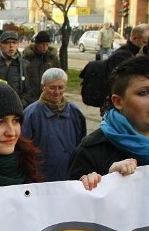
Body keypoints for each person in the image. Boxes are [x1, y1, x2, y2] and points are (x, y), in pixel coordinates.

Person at [67, 56, 148, 190]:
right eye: (144, 93)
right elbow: (74, 207)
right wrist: (107, 182)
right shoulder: (89, 153)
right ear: (118, 102)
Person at [22, 68, 86, 181]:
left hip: (69, 176)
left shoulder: (74, 112)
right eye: (52, 88)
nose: (57, 92)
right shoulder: (31, 114)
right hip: (41, 178)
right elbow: (23, 149)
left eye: (61, 87)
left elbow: (82, 145)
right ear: (43, 87)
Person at [0, 31, 30, 106]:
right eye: (7, 43)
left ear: (17, 45)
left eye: (14, 42)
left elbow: (29, 91)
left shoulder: (25, 65)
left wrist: (23, 103)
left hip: (18, 108)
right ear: (0, 45)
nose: (11, 46)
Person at [23, 31, 60, 105]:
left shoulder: (52, 58)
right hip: (31, 97)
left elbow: (58, 76)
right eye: (42, 44)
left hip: (48, 96)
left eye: (47, 44)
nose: (45, 47)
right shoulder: (27, 57)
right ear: (37, 44)